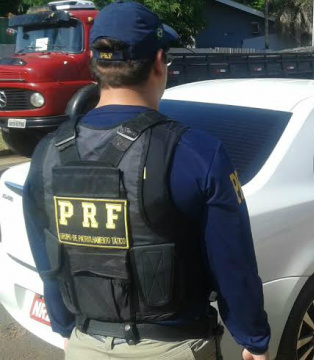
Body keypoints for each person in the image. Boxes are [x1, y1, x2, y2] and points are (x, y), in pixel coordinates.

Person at [22, 2, 270, 359]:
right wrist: (254, 339)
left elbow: (49, 259)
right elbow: (234, 266)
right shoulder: (196, 152)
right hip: (175, 348)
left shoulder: (48, 153)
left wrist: (65, 329)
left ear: (97, 66)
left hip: (85, 344)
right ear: (158, 62)